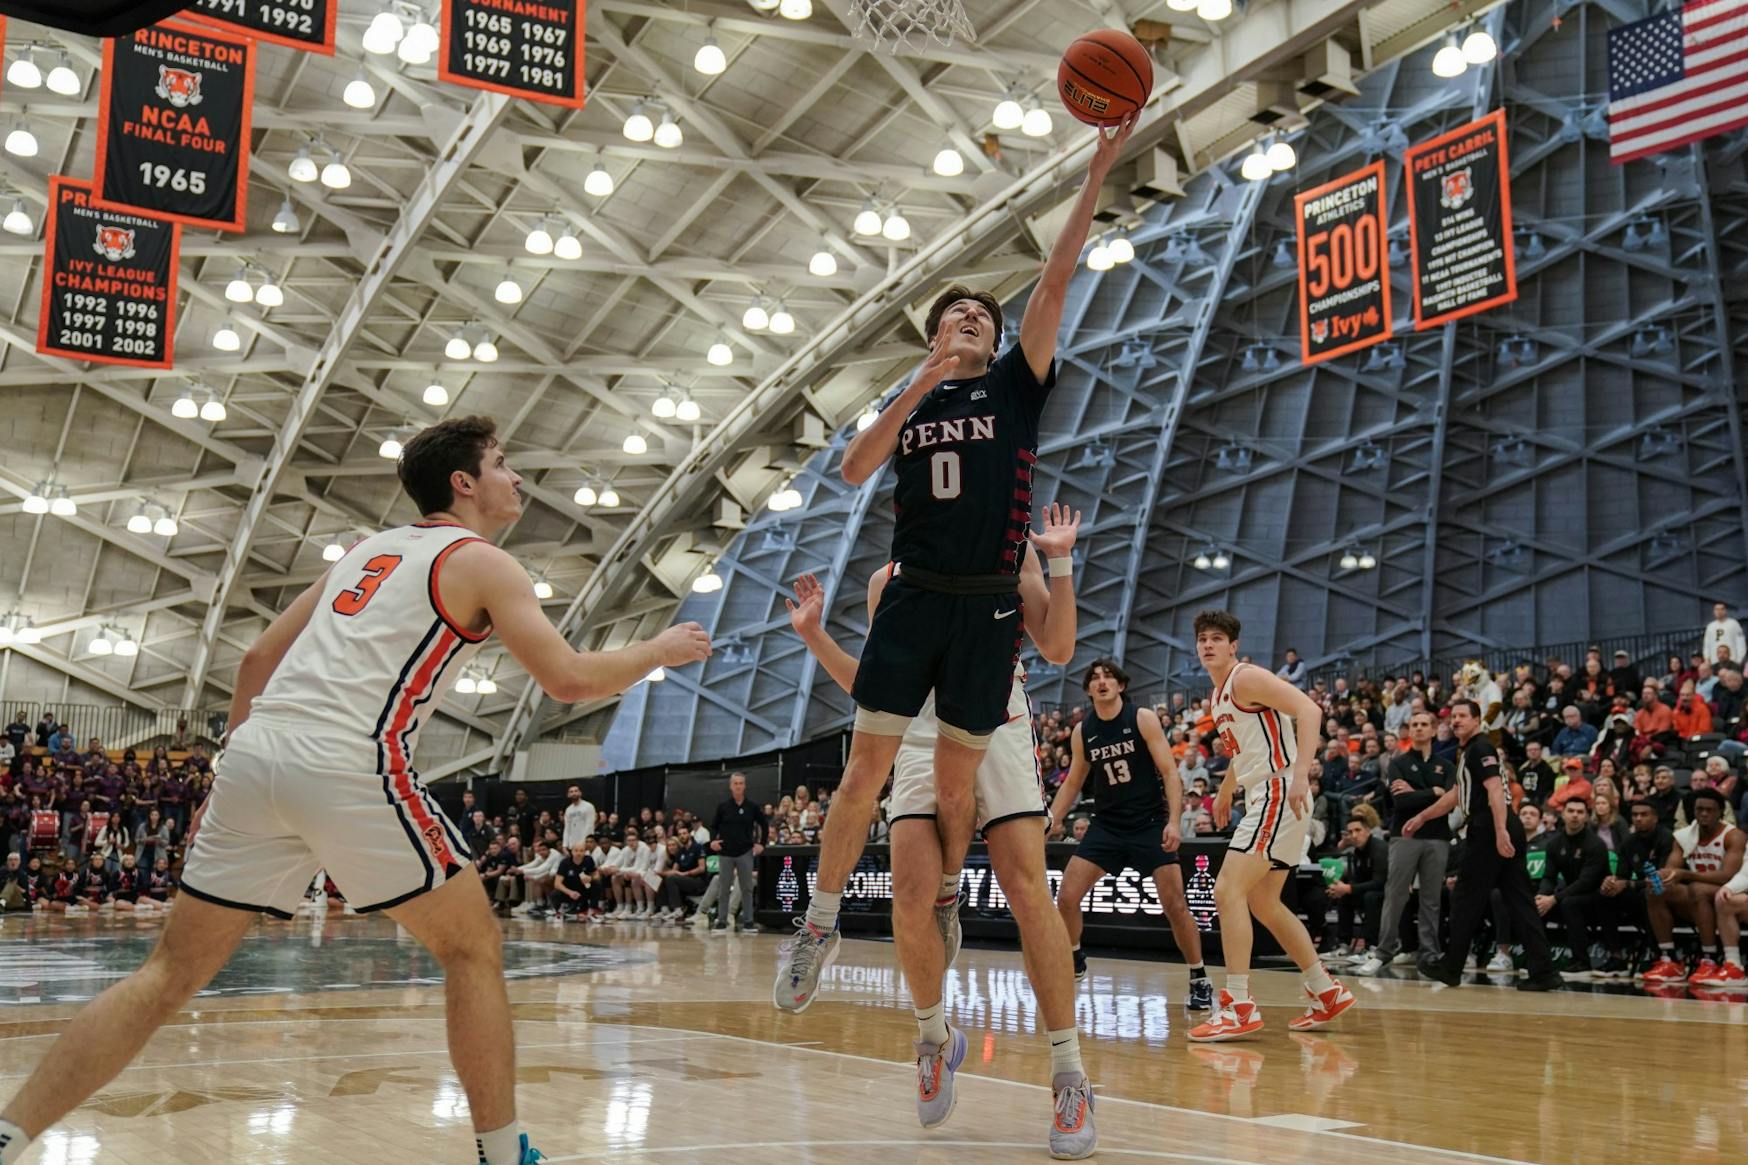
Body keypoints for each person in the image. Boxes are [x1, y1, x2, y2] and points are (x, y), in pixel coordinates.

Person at [0, 415, 714, 1165]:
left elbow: (255, 659)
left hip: (256, 753)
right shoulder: (481, 561)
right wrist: (659, 649)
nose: (519, 478)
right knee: (473, 947)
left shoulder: (365, 552)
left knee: (167, 973)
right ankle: (505, 1155)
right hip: (347, 757)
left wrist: (226, 770)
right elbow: (567, 678)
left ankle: (10, 1132)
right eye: (504, 464)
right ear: (463, 483)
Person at [773, 116, 1138, 1012]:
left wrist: (1098, 163)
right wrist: (922, 380)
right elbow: (856, 467)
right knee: (861, 776)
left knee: (956, 787)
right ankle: (819, 923)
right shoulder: (916, 398)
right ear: (933, 337)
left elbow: (1054, 278)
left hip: (985, 605)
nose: (969, 318)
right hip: (915, 593)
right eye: (953, 315)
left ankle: (945, 896)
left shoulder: (1015, 386)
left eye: (981, 315)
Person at [785, 500, 1095, 1157]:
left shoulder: (1011, 548)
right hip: (922, 735)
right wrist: (814, 635)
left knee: (1024, 887)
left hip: (998, 719)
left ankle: (1070, 1074)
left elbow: (1059, 646)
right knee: (908, 892)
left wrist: (1061, 559)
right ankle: (934, 1038)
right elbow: (876, 688)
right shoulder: (887, 580)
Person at [1186, 609, 1355, 1042]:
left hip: (1280, 791)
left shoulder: (1246, 678)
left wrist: (1301, 772)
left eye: (1217, 638)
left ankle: (1238, 1004)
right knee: (1264, 903)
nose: (1208, 645)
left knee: (1227, 890)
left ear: (1233, 646)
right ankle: (1324, 989)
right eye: (1203, 638)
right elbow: (1245, 749)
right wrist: (1226, 789)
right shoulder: (1219, 693)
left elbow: (1309, 709)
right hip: (1265, 792)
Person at [1049, 658, 1213, 1011]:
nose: (1101, 681)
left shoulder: (1142, 718)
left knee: (1175, 904)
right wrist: (1053, 819)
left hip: (1149, 822)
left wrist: (1173, 821)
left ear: (1121, 685)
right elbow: (1074, 781)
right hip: (1106, 824)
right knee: (1066, 897)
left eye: (1108, 676)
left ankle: (1199, 978)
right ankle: (1075, 957)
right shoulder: (1083, 731)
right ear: (1089, 689)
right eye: (1094, 678)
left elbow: (1170, 772)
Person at [1402, 700, 1563, 991]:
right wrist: (1423, 816)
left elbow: (1494, 790)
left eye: (1463, 716)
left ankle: (1451, 967)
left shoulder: (1480, 747)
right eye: (1453, 717)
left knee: (1464, 898)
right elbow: (1456, 793)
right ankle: (1544, 970)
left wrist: (1500, 831)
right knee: (1520, 900)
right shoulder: (1470, 750)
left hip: (1490, 827)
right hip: (1497, 826)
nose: (1456, 721)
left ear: (1477, 720)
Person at [1356, 710, 1454, 976]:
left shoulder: (1447, 766)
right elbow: (1401, 801)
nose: (1419, 729)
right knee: (1396, 894)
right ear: (1409, 731)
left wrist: (1422, 794)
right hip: (1405, 836)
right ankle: (1383, 953)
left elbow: (1448, 802)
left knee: (1431, 900)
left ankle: (1429, 955)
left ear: (1434, 730)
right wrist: (1433, 792)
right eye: (1415, 725)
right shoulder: (1398, 763)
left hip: (1437, 837)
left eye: (1424, 724)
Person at [1642, 788, 1743, 983]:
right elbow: (1672, 870)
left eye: (1710, 810)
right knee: (1656, 890)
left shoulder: (1733, 835)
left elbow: (1728, 876)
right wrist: (1661, 876)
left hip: (1732, 893)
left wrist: (1684, 874)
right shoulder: (1683, 836)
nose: (1704, 814)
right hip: (1700, 898)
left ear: (1720, 812)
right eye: (1699, 809)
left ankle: (1709, 960)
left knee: (1698, 888)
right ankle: (1669, 959)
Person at [1533, 798, 1610, 978]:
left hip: (1599, 897)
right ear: (1563, 814)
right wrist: (1542, 896)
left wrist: (1554, 899)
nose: (1575, 815)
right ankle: (1538, 959)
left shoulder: (1596, 844)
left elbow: (1586, 882)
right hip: (1570, 893)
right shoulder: (1554, 844)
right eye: (1571, 811)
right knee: (1537, 904)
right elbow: (1549, 877)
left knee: (1568, 903)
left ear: (1587, 817)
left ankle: (1581, 961)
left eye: (1580, 812)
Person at [1327, 810, 1388, 961]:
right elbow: (1357, 880)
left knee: (1370, 897)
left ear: (1368, 830)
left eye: (1358, 830)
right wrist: (1342, 889)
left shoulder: (1379, 849)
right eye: (1350, 832)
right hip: (1370, 891)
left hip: (1389, 893)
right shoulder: (1357, 852)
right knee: (1345, 898)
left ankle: (1372, 946)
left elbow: (1379, 882)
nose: (1354, 835)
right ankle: (1344, 945)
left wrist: (1349, 888)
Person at [709, 773, 766, 933]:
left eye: (741, 783)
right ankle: (721, 922)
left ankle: (748, 922)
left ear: (745, 786)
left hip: (745, 852)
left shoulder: (752, 807)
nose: (738, 786)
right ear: (730, 786)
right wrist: (713, 841)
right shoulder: (723, 807)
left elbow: (764, 824)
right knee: (724, 888)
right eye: (735, 783)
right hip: (726, 853)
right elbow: (714, 826)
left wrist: (761, 844)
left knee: (747, 888)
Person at [1705, 602, 1746, 667]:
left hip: (1732, 662)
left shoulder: (1734, 624)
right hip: (1715, 662)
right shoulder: (1710, 626)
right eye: (1716, 609)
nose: (1719, 611)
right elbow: (1707, 645)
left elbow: (1741, 644)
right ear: (1714, 611)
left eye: (1721, 609)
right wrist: (1707, 659)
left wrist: (1739, 660)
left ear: (1725, 611)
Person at [561, 786, 596, 852]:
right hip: (572, 845)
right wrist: (565, 845)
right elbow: (567, 828)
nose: (574, 793)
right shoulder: (568, 809)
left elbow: (589, 826)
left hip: (585, 844)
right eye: (571, 792)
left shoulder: (588, 806)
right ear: (568, 795)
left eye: (576, 791)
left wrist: (583, 843)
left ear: (580, 793)